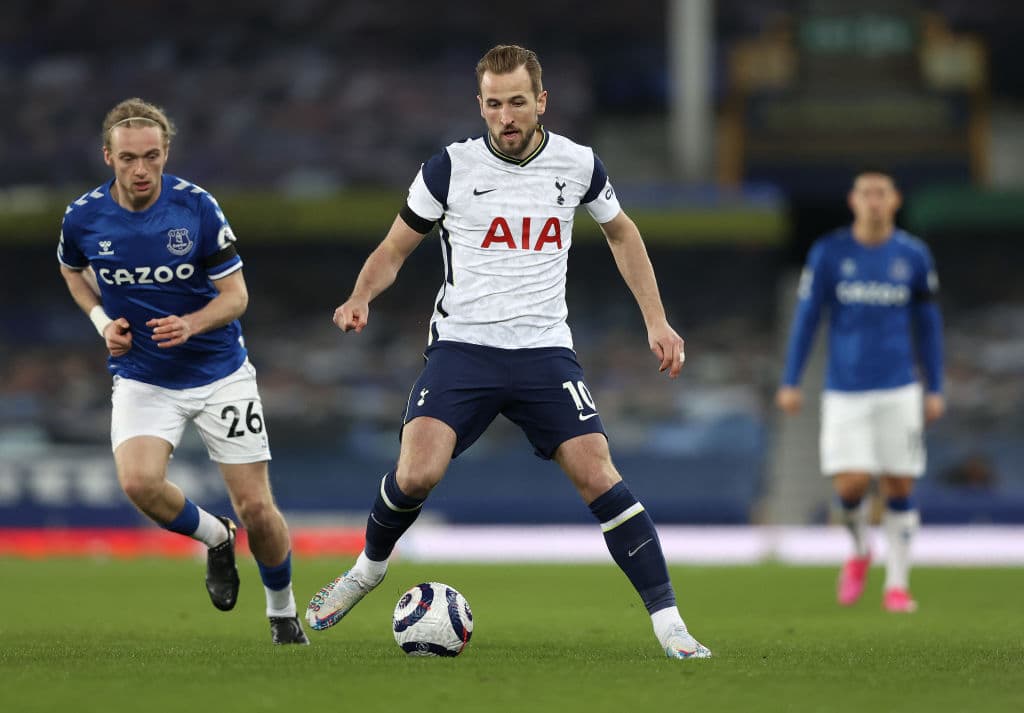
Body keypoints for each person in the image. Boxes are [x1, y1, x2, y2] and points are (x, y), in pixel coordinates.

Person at [306, 44, 710, 660]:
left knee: (600, 473)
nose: (506, 116)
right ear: (481, 106)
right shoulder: (448, 168)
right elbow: (393, 249)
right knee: (417, 471)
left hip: (544, 350)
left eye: (517, 102)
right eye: (494, 105)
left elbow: (622, 232)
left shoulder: (578, 165)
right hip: (464, 348)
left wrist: (657, 321)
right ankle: (367, 569)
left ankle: (670, 624)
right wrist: (361, 296)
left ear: (540, 101)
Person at [57, 98, 308, 644]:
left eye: (151, 156)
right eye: (128, 159)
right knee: (139, 482)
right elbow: (72, 269)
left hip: (220, 371)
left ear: (166, 152)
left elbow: (236, 296)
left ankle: (282, 613)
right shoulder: (83, 216)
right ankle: (217, 537)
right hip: (144, 375)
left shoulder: (197, 208)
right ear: (108, 157)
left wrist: (192, 324)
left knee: (258, 508)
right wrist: (102, 319)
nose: (141, 169)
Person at [776, 170, 945, 613]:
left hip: (899, 388)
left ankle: (898, 584)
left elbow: (928, 326)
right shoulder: (830, 252)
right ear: (853, 200)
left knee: (898, 483)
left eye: (881, 193)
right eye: (865, 192)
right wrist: (791, 380)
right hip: (845, 389)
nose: (873, 200)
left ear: (894, 200)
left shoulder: (913, 255)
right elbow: (807, 319)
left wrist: (936, 386)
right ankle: (859, 550)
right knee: (850, 487)